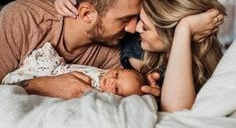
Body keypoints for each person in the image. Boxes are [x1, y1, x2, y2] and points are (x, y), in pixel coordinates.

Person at [55, 0, 225, 111]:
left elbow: (177, 111)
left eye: (145, 26)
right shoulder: (136, 47)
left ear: (172, 36)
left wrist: (184, 30)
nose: (135, 28)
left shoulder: (217, 68)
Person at [0, 0, 148, 99]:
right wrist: (42, 86)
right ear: (86, 13)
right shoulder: (23, 19)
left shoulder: (116, 50)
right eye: (124, 19)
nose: (134, 28)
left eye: (136, 17)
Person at [2, 42, 145, 97]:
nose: (113, 80)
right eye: (118, 74)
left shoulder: (99, 93)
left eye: (117, 89)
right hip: (54, 69)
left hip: (54, 80)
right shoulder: (104, 70)